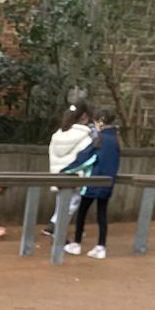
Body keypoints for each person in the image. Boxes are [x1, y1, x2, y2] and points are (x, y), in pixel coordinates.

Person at [63, 110, 121, 260]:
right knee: (102, 213)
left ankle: (76, 243)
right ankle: (101, 246)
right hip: (108, 181)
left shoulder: (100, 139)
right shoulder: (115, 139)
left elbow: (86, 158)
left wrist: (66, 170)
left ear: (100, 122)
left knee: (82, 212)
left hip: (93, 181)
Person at [43, 101, 93, 237]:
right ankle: (57, 228)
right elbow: (85, 158)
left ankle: (53, 225)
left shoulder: (58, 135)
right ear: (85, 117)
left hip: (58, 175)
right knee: (72, 204)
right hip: (75, 176)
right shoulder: (85, 137)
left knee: (62, 201)